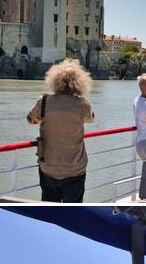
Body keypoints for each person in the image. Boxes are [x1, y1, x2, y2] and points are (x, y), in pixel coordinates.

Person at [26, 58, 95, 202]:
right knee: (74, 211)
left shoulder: (44, 101)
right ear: (80, 82)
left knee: (50, 210)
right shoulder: (82, 104)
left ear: (54, 80)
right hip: (75, 168)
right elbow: (90, 119)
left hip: (49, 166)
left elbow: (30, 120)